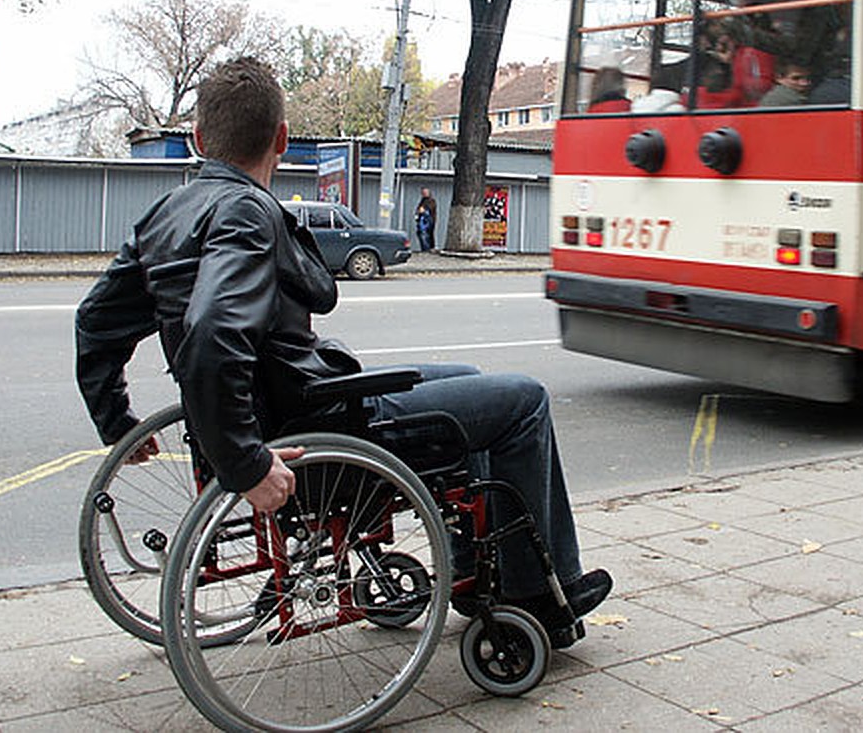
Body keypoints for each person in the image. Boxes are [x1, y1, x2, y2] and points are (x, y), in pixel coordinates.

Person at [74, 56, 611, 644]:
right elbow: (210, 329)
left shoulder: (165, 215)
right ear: (281, 138)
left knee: (466, 374)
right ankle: (537, 594)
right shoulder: (245, 213)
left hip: (290, 401)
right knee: (523, 400)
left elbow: (96, 322)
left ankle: (471, 563)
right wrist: (245, 462)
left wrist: (115, 420)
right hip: (313, 427)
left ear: (199, 139)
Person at [414, 187, 437, 252]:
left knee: (426, 235)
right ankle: (424, 249)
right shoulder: (422, 201)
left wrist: (423, 211)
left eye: (425, 192)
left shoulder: (431, 201)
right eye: (423, 193)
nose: (424, 194)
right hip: (421, 221)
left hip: (428, 222)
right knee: (421, 234)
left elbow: (429, 209)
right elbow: (418, 210)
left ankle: (428, 249)